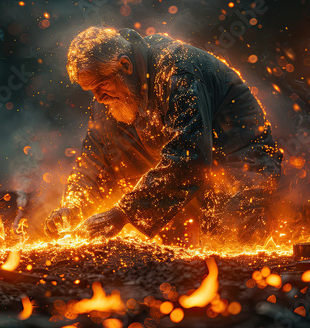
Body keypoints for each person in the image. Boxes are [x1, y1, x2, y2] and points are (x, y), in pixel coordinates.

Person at [44, 26, 282, 247]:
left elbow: (190, 156)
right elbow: (94, 158)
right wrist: (73, 206)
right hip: (187, 172)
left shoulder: (177, 70)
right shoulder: (112, 90)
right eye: (91, 91)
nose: (98, 98)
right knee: (169, 254)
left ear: (125, 65)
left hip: (241, 164)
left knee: (228, 246)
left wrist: (122, 213)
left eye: (101, 86)